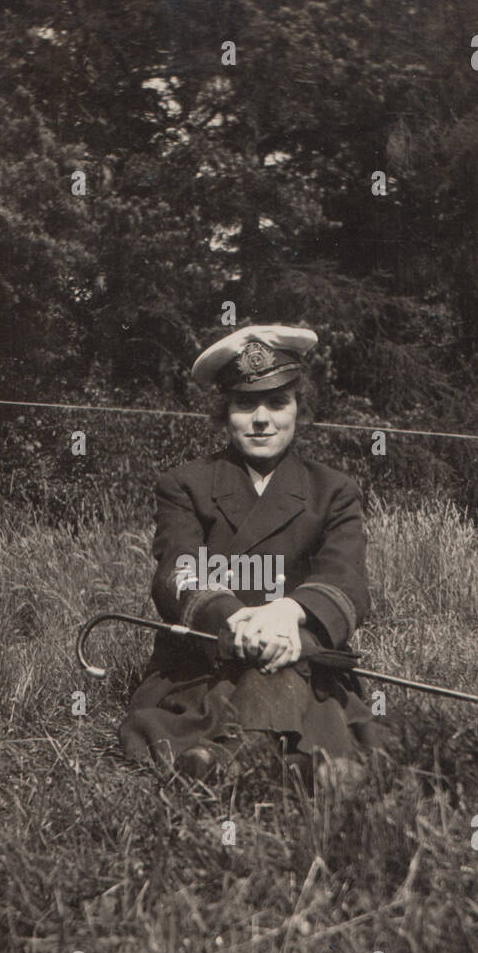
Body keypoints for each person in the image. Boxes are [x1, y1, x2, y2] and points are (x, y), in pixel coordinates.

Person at [120, 324, 383, 785]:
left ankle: (232, 756)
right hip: (208, 662)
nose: (262, 419)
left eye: (277, 402)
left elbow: (346, 577)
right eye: (245, 404)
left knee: (287, 663)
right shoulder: (186, 484)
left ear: (300, 410)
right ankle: (300, 765)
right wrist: (238, 621)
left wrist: (287, 613)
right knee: (284, 685)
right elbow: (177, 572)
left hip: (302, 651)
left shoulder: (334, 491)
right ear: (225, 414)